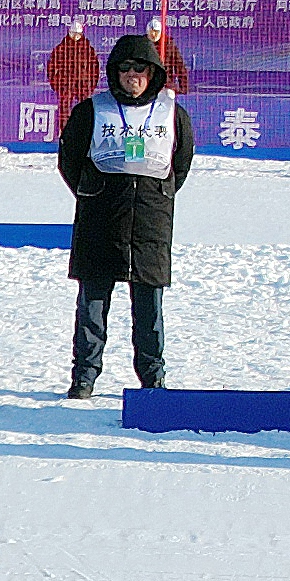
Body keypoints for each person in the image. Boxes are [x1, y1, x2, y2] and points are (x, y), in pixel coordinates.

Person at [57, 31, 194, 397]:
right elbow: (69, 160)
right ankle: (84, 376)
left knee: (149, 309)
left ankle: (152, 377)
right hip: (99, 220)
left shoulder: (172, 113)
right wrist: (92, 192)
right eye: (125, 68)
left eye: (141, 69)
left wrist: (158, 196)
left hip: (151, 222)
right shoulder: (91, 110)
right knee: (92, 305)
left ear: (153, 73)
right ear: (114, 72)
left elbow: (181, 163)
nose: (133, 75)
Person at [45, 21, 98, 119]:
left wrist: (91, 85)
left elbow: (94, 68)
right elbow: (51, 67)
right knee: (64, 111)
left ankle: (85, 127)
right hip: (65, 83)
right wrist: (55, 84)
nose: (75, 36)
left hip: (83, 84)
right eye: (73, 33)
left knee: (85, 109)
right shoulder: (61, 48)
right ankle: (64, 128)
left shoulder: (88, 50)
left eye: (78, 34)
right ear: (69, 33)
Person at [146, 17, 192, 94]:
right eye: (151, 32)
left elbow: (179, 65)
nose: (153, 35)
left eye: (156, 32)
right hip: (145, 83)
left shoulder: (168, 45)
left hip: (165, 83)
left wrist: (183, 88)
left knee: (169, 95)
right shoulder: (142, 44)